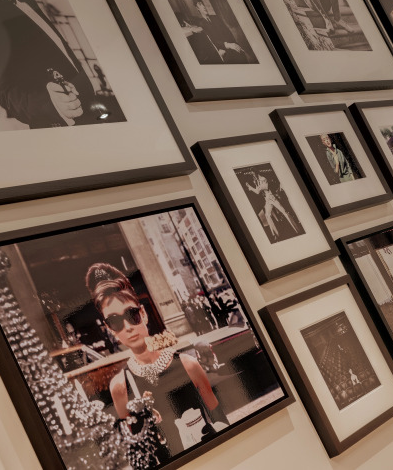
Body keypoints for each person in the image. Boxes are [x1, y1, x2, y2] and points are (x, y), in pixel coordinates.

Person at [85, 263, 226, 461]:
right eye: (115, 322)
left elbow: (220, 421)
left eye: (131, 315)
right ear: (110, 330)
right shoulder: (120, 386)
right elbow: (139, 449)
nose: (127, 327)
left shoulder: (187, 364)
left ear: (143, 314)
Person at [0, 0, 108, 128]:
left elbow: (57, 47)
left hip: (88, 105)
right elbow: (7, 93)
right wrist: (51, 105)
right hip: (59, 124)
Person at [181, 0, 248, 65]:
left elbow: (228, 33)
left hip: (231, 46)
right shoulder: (201, 24)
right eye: (200, 4)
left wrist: (234, 44)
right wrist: (226, 46)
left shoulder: (216, 17)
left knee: (242, 56)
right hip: (223, 50)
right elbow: (212, 41)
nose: (203, 6)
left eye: (203, 4)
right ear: (197, 8)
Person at [245, 172, 301, 240]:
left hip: (272, 198)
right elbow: (257, 192)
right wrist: (250, 187)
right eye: (252, 175)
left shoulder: (263, 179)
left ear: (256, 173)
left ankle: (297, 229)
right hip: (267, 200)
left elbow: (262, 189)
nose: (253, 177)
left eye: (253, 175)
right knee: (267, 216)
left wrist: (251, 187)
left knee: (284, 212)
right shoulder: (257, 181)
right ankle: (275, 235)